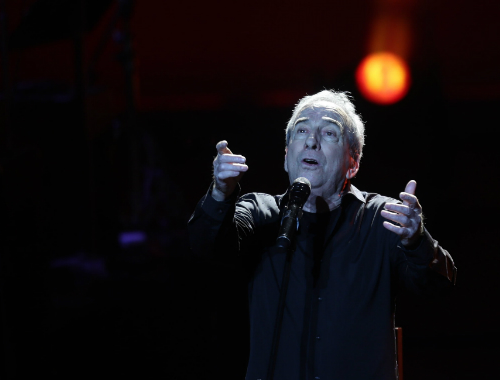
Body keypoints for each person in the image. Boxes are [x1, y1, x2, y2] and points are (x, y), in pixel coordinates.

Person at [188, 90, 456, 380]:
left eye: (329, 133)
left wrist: (415, 240)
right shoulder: (260, 212)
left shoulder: (384, 218)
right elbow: (206, 245)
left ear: (353, 163)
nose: (311, 141)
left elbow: (438, 285)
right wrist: (220, 193)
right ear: (287, 156)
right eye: (302, 130)